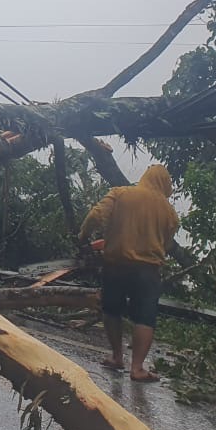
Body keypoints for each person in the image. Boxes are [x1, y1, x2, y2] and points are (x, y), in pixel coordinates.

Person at [78, 164, 180, 383]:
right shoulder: (170, 213)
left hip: (116, 263)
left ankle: (116, 357)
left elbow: (96, 215)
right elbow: (167, 243)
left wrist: (82, 236)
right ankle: (137, 368)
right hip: (148, 269)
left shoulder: (120, 193)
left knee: (112, 309)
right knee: (145, 316)